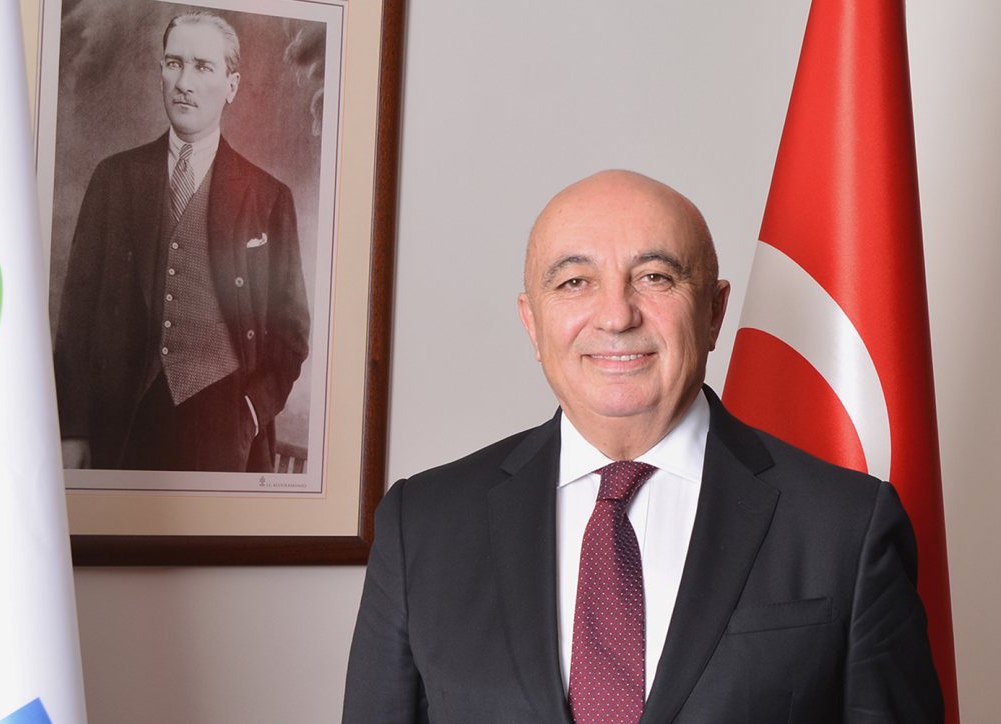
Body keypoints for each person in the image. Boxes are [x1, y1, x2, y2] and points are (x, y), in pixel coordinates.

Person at [342, 170, 943, 722]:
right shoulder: (422, 526)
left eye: (655, 277)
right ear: (532, 323)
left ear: (713, 312)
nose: (616, 316)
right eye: (575, 282)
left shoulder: (846, 526)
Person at [54, 11, 310, 472]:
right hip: (123, 427)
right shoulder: (114, 179)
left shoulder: (269, 198)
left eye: (203, 66)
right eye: (174, 63)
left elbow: (291, 335)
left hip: (224, 431)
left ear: (231, 85)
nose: (184, 82)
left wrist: (250, 413)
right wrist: (73, 429)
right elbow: (76, 317)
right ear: (160, 73)